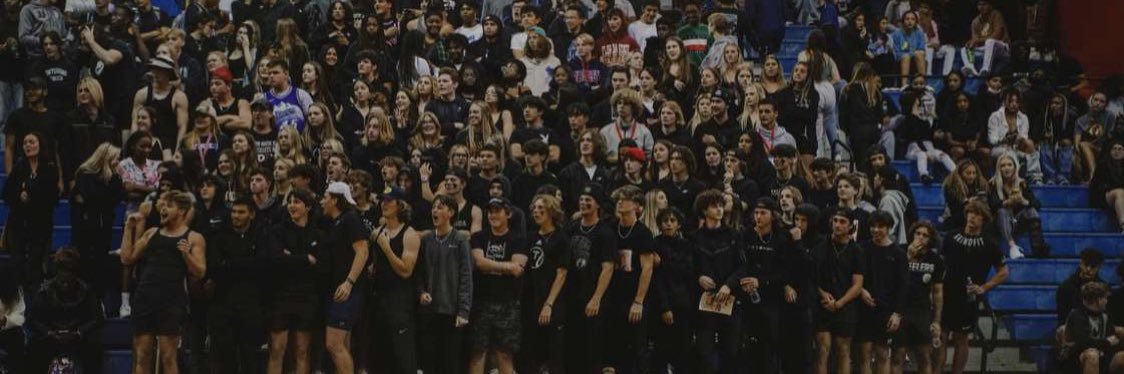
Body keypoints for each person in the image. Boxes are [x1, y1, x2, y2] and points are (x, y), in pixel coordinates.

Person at [120, 190, 207, 374]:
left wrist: (186, 256)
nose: (163, 209)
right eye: (162, 206)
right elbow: (127, 259)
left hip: (172, 302)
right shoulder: (152, 233)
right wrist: (128, 228)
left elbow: (200, 272)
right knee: (142, 355)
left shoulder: (193, 237)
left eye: (168, 206)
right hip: (145, 299)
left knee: (169, 356)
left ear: (182, 211)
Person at [933, 201, 1009, 374]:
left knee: (961, 338)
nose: (973, 217)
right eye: (971, 212)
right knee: (941, 335)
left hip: (968, 296)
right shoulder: (951, 237)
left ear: (984, 219)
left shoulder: (990, 244)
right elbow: (940, 263)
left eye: (978, 214)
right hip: (946, 293)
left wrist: (984, 287)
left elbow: (1004, 271)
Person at [206, 198, 270, 373]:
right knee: (225, 357)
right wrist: (247, 263)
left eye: (241, 212)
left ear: (252, 214)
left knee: (250, 356)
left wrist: (230, 264)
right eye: (233, 212)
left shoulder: (261, 236)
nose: (236, 216)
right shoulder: (219, 236)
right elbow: (215, 268)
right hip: (223, 305)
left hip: (251, 306)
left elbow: (263, 266)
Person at [468, 196, 528, 374]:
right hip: (481, 303)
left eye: (497, 211)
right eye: (490, 211)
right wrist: (506, 266)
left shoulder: (519, 239)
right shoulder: (479, 237)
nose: (492, 215)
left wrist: (492, 266)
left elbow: (518, 269)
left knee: (505, 354)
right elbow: (479, 263)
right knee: (478, 352)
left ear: (508, 214)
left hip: (508, 304)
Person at [416, 194, 473, 374]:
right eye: (434, 207)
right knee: (429, 361)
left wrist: (464, 310)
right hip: (429, 311)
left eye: (440, 207)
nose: (435, 210)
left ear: (451, 212)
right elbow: (418, 274)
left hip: (452, 311)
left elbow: (466, 276)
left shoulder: (460, 240)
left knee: (450, 362)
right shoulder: (426, 240)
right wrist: (421, 292)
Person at [603, 185, 656, 373]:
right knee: (614, 346)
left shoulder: (643, 232)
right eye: (617, 200)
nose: (619, 203)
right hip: (613, 296)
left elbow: (647, 268)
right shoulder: (610, 228)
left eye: (623, 200)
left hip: (634, 297)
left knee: (637, 348)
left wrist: (638, 301)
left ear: (636, 205)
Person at [564, 183, 616, 373]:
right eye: (582, 200)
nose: (584, 203)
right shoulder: (571, 228)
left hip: (593, 298)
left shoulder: (605, 232)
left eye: (588, 200)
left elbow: (608, 268)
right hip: (572, 297)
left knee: (592, 350)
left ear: (598, 205)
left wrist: (596, 298)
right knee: (572, 349)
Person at [320, 182, 371, 374]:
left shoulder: (350, 218)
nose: (321, 201)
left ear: (335, 199)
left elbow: (362, 251)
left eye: (325, 197)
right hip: (338, 290)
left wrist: (349, 282)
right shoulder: (336, 222)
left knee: (334, 344)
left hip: (348, 291)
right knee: (343, 344)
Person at [368, 186, 420, 374]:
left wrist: (386, 247)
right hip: (378, 298)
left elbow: (406, 271)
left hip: (400, 300)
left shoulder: (409, 235)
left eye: (389, 200)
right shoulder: (377, 231)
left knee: (403, 354)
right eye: (382, 200)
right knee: (380, 354)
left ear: (400, 205)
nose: (384, 204)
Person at [26, 249, 103, 373]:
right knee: (33, 349)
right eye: (63, 281)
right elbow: (32, 320)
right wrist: (49, 332)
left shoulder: (87, 290)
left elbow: (97, 319)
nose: (66, 285)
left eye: (69, 281)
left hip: (78, 337)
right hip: (51, 337)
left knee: (95, 349)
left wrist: (79, 332)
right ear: (57, 273)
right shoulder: (44, 291)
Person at [693, 190, 745, 373]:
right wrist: (698, 277)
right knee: (704, 349)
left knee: (731, 349)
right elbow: (689, 268)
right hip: (704, 301)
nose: (720, 209)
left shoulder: (734, 235)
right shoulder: (695, 237)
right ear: (703, 210)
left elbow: (743, 267)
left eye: (721, 205)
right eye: (714, 206)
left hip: (730, 299)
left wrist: (728, 285)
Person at [3, 132, 60, 294]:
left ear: (40, 145)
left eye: (32, 142)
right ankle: (18, 295)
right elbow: (6, 193)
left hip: (40, 222)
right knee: (17, 260)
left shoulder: (49, 168)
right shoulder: (19, 167)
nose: (28, 145)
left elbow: (53, 196)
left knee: (36, 262)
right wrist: (19, 195)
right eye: (25, 143)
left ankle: (34, 297)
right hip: (19, 222)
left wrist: (30, 191)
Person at [519, 194, 570, 374]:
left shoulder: (561, 238)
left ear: (551, 212)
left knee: (554, 355)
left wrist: (549, 304)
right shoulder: (530, 236)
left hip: (552, 303)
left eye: (541, 208)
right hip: (531, 301)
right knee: (530, 354)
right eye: (535, 208)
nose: (536, 212)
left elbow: (562, 273)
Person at [856, 211, 909, 374]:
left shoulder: (898, 254)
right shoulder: (862, 248)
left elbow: (903, 286)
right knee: (864, 355)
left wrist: (897, 313)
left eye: (881, 226)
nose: (876, 230)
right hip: (864, 308)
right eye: (873, 226)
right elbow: (855, 275)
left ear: (889, 228)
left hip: (886, 310)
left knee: (883, 354)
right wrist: (861, 290)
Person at [813, 207, 865, 374]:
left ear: (851, 226)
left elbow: (858, 285)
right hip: (822, 304)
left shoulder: (856, 250)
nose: (837, 225)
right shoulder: (821, 243)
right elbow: (811, 275)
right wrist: (821, 293)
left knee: (843, 351)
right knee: (823, 350)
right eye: (835, 221)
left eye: (842, 222)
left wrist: (839, 304)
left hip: (845, 306)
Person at [71, 143, 125, 299]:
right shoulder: (85, 175)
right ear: (106, 158)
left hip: (104, 226)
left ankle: (97, 299)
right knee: (85, 263)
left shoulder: (114, 178)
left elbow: (114, 199)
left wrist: (115, 178)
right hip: (86, 228)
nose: (118, 162)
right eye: (116, 158)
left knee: (101, 264)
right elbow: (81, 200)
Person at [892, 221, 945, 374]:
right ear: (912, 235)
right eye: (918, 233)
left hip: (922, 311)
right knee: (898, 355)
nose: (920, 238)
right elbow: (892, 280)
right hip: (900, 310)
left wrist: (936, 321)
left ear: (931, 239)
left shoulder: (935, 260)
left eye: (925, 235)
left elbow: (937, 292)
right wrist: (908, 256)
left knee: (924, 355)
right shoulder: (900, 252)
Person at [988, 152, 1047, 259]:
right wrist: (1007, 202)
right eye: (1003, 165)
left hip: (1017, 222)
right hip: (999, 223)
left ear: (1015, 167)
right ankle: (1012, 246)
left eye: (1009, 165)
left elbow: (1037, 203)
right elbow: (992, 205)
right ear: (998, 169)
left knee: (1031, 210)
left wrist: (1024, 201)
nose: (1006, 168)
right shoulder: (993, 184)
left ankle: (1039, 248)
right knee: (1002, 211)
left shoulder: (1022, 183)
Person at [1061, 282, 1124, 374]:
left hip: (1103, 355)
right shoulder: (1077, 315)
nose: (1107, 301)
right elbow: (1084, 343)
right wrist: (1106, 341)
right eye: (1105, 298)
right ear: (1098, 300)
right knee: (1092, 355)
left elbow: (1114, 339)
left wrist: (1106, 343)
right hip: (1076, 358)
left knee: (1121, 357)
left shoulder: (1106, 315)